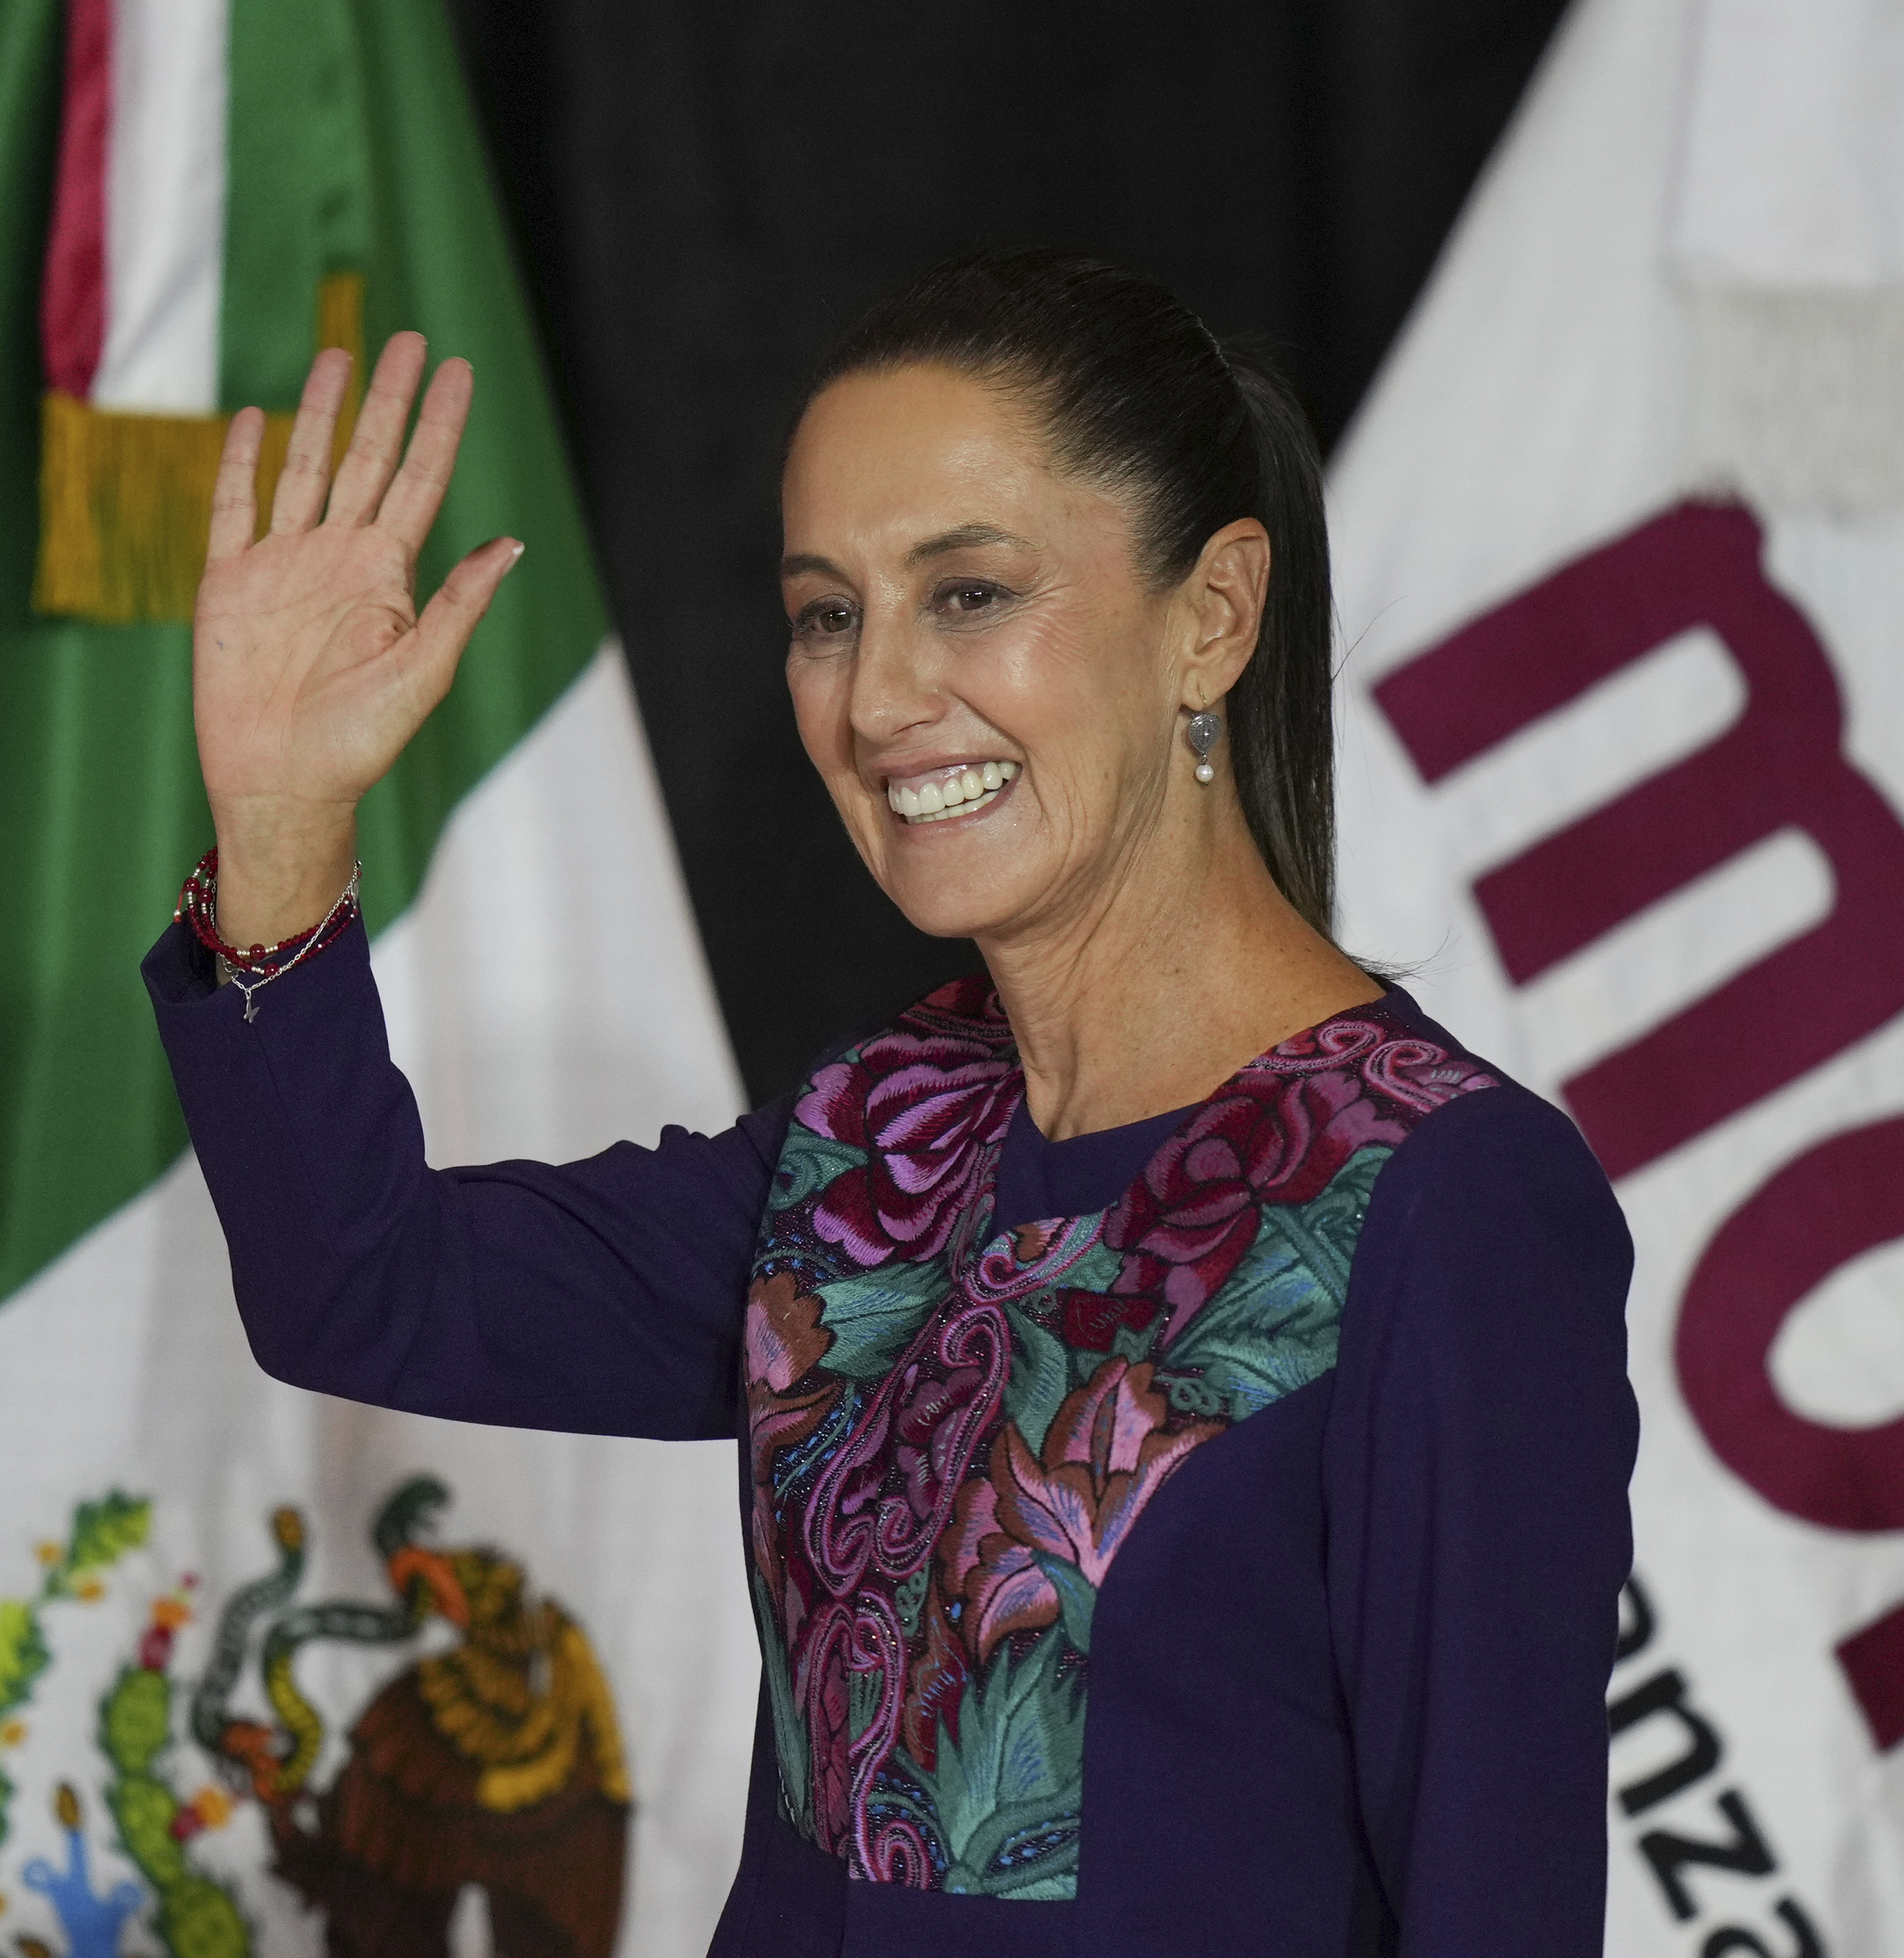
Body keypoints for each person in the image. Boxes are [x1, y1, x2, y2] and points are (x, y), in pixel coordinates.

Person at [145, 248, 1635, 1957]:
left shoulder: (1444, 1198)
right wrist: (279, 833)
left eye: (971, 593)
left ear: (1213, 617)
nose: (875, 699)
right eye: (827, 614)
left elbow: (1496, 1902)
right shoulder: (880, 1137)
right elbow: (368, 1291)